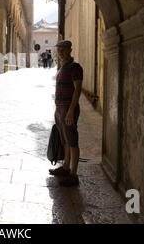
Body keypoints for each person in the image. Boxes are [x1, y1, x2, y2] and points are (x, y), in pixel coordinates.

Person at [49, 40, 83, 187]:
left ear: (70, 49)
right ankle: (65, 167)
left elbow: (77, 89)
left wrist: (70, 111)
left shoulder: (75, 67)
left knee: (72, 141)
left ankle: (73, 175)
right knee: (64, 140)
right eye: (59, 50)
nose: (60, 52)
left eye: (63, 50)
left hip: (68, 109)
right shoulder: (63, 66)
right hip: (60, 109)